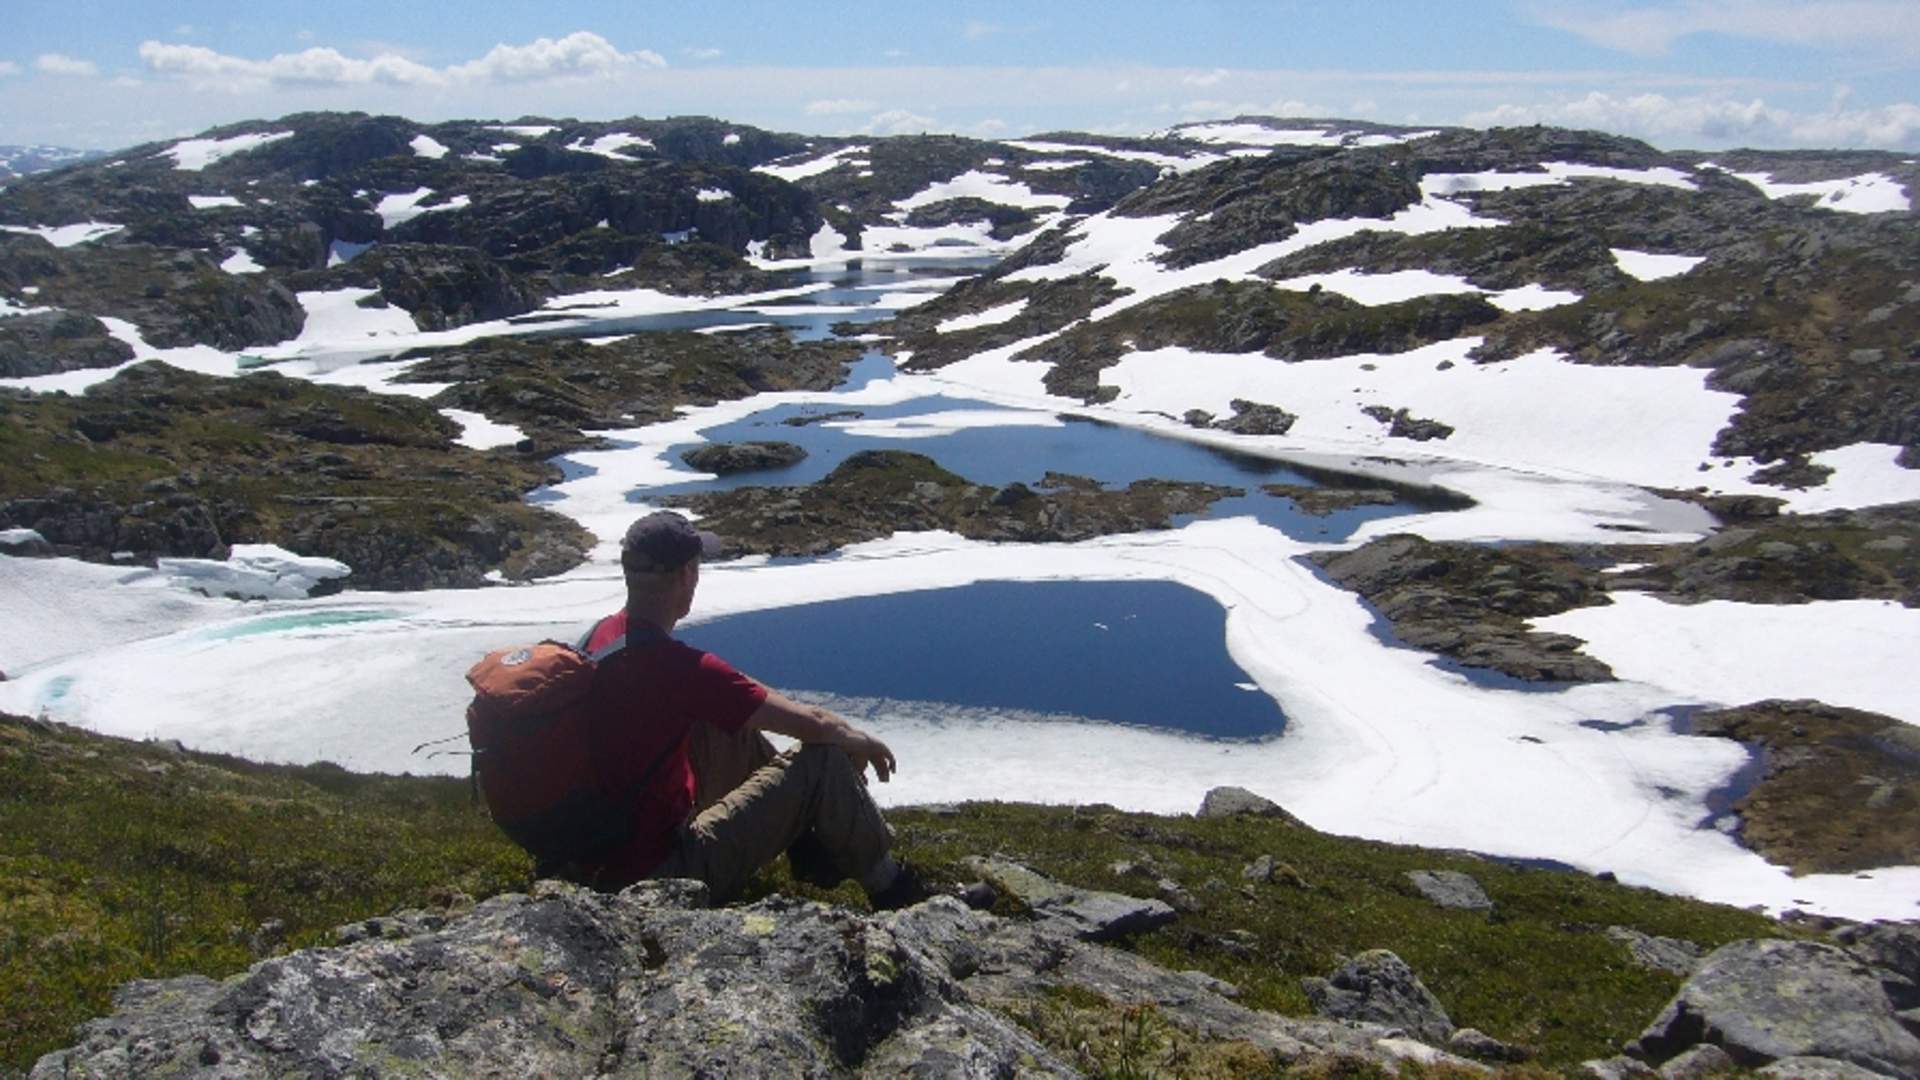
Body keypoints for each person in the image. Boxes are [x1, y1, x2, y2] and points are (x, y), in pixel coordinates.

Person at [569, 510, 925, 909]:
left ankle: (807, 842)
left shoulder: (597, 640)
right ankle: (895, 891)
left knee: (720, 723)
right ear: (687, 574)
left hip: (587, 862)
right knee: (822, 761)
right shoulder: (679, 668)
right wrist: (860, 740)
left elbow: (738, 696)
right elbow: (814, 726)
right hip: (660, 878)